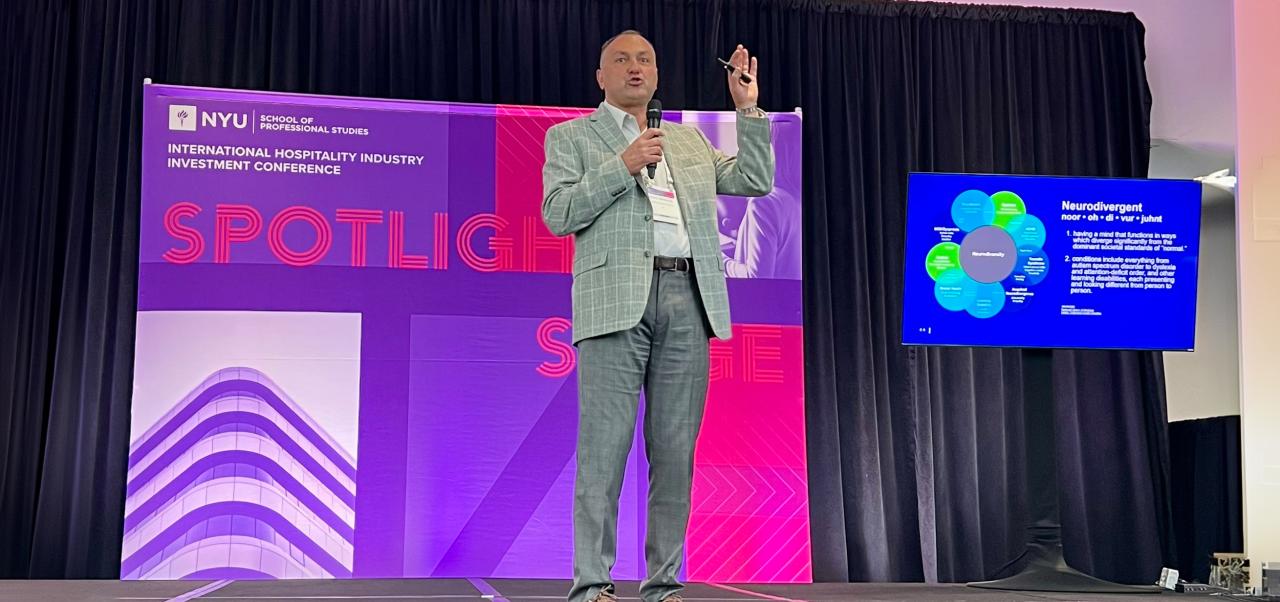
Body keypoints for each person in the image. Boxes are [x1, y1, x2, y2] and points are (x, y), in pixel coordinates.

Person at [541, 30, 774, 602]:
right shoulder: (570, 137)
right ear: (601, 77)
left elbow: (754, 180)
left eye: (645, 59)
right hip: (615, 301)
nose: (635, 68)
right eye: (621, 60)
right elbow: (558, 213)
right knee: (604, 449)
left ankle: (662, 584)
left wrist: (748, 109)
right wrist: (623, 163)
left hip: (687, 297)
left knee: (674, 452)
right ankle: (593, 585)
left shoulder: (688, 141)